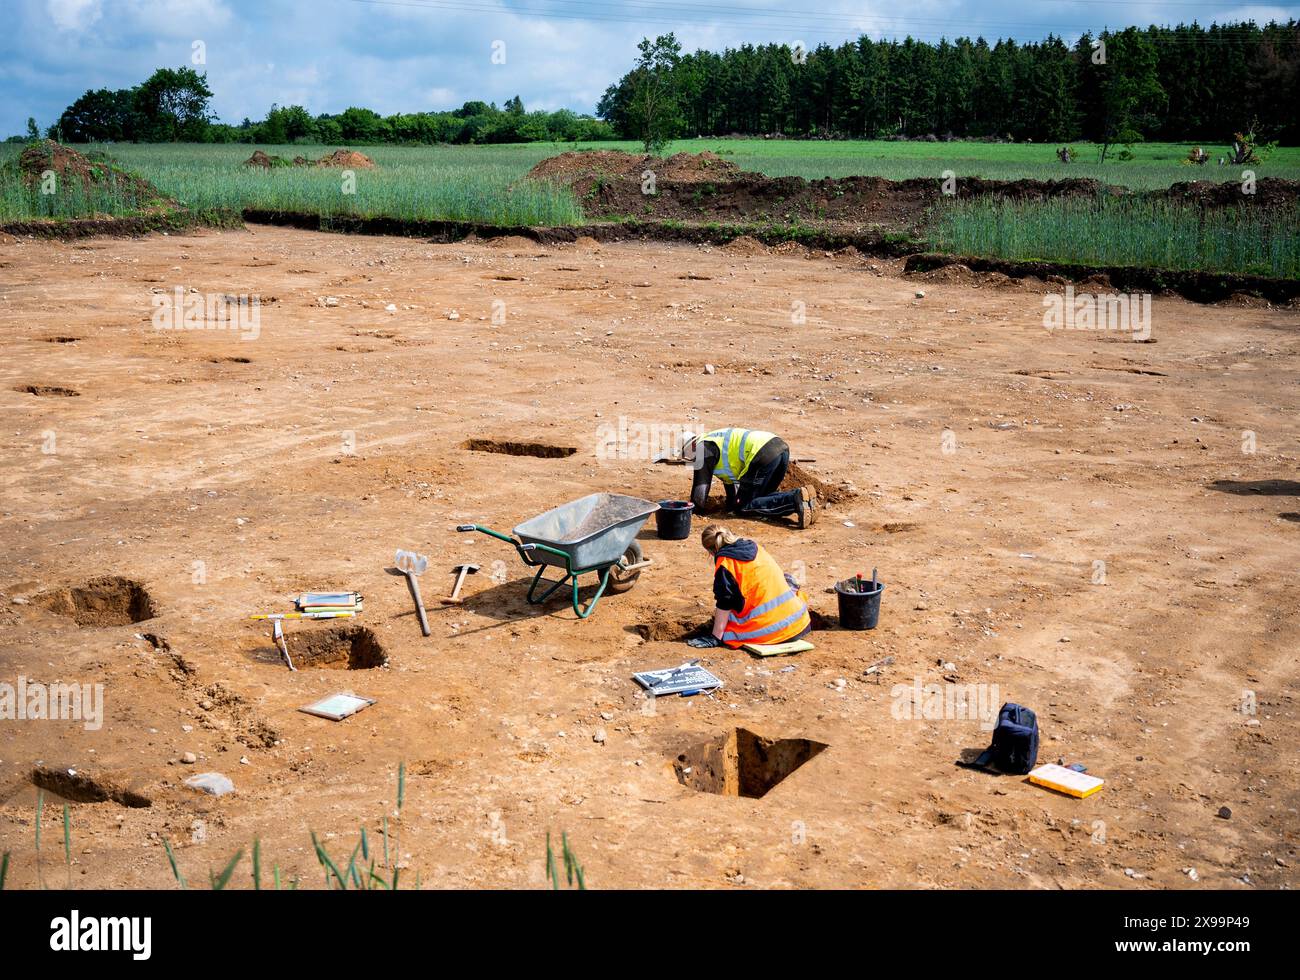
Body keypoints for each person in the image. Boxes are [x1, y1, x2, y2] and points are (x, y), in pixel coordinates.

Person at [686, 523, 812, 649]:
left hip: (773, 632)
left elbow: (725, 602)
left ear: (711, 551)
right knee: (785, 580)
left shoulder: (725, 564)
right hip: (799, 622)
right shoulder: (754, 547)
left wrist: (715, 637)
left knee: (729, 630)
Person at [680, 428, 817, 528]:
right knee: (762, 498)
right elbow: (731, 484)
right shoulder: (714, 441)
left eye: (689, 456)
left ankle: (795, 500)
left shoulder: (701, 449)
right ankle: (805, 499)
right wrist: (731, 504)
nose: (692, 461)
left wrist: (692, 511)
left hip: (762, 454)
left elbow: (700, 489)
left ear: (691, 445)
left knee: (744, 507)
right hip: (779, 447)